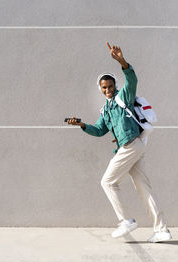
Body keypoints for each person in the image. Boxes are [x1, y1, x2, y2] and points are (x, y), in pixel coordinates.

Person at [67, 42, 172, 242]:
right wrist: (81, 125)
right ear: (100, 89)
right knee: (143, 187)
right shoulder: (105, 111)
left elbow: (132, 79)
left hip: (131, 145)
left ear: (115, 86)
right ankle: (162, 230)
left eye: (110, 86)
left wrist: (121, 60)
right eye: (104, 87)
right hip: (134, 148)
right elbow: (99, 131)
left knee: (107, 182)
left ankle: (126, 221)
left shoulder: (124, 96)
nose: (108, 90)